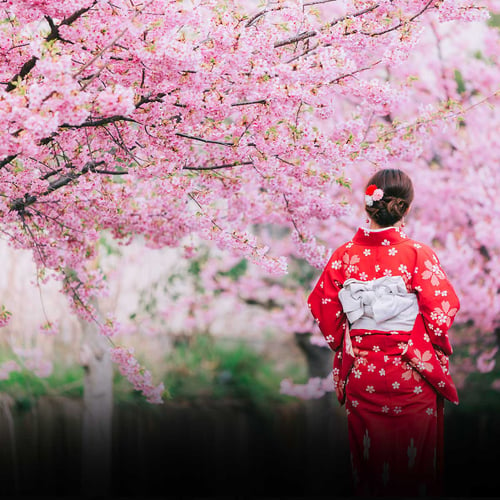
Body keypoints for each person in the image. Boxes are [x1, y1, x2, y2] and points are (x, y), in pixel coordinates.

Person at [307, 168, 460, 496]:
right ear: (404, 208)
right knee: (415, 464)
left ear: (368, 205)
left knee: (370, 466)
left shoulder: (344, 256)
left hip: (364, 373)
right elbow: (442, 309)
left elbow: (323, 307)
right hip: (410, 374)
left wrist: (349, 342)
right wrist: (419, 342)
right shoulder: (418, 254)